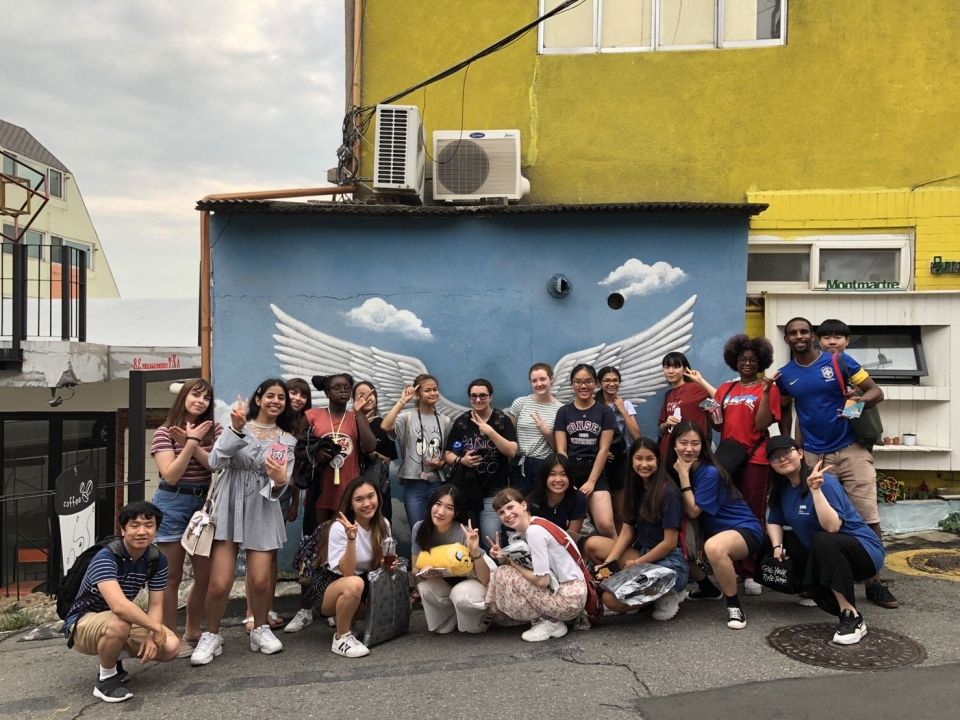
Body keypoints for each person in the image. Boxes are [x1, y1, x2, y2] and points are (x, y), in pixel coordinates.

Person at [762, 316, 896, 609]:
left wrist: (853, 406)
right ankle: (821, 579)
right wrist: (789, 444)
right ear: (786, 339)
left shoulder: (839, 362)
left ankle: (874, 582)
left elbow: (876, 391)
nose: (799, 336)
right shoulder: (785, 375)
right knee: (815, 519)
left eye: (804, 331)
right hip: (813, 455)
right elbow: (785, 410)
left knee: (867, 516)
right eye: (792, 333)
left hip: (851, 449)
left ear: (812, 335)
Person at [190, 379, 296, 665]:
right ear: (258, 399)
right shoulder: (238, 426)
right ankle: (211, 634)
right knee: (219, 583)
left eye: (281, 398)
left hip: (263, 505)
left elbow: (281, 485)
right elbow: (215, 461)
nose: (276, 401)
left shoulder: (287, 440)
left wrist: (279, 481)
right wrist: (235, 429)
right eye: (270, 395)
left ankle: (260, 629)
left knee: (261, 580)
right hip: (230, 503)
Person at [765, 435, 886, 644]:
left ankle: (851, 616)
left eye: (787, 452)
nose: (782, 459)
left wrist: (815, 491)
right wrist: (777, 546)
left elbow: (832, 527)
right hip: (830, 553)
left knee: (823, 540)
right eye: (775, 457)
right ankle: (815, 590)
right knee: (780, 542)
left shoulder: (824, 481)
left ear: (800, 453)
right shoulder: (782, 489)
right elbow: (774, 519)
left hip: (864, 552)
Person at [686, 335, 782, 595]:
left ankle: (751, 572)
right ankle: (734, 564)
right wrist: (711, 411)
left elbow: (762, 425)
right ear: (734, 361)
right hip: (729, 458)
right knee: (729, 511)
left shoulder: (769, 387)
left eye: (752, 360)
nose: (747, 363)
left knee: (753, 512)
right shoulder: (727, 389)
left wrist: (763, 393)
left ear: (761, 361)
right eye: (742, 359)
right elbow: (720, 425)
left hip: (756, 457)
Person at [63, 501, 179, 704]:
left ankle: (112, 655)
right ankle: (106, 678)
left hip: (115, 620)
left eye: (148, 525)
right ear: (123, 530)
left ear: (156, 529)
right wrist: (156, 628)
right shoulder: (106, 557)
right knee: (121, 621)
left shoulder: (156, 559)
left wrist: (153, 635)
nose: (142, 531)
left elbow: (156, 605)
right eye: (134, 525)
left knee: (170, 647)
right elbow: (118, 605)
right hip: (82, 621)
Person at [149, 378, 221, 658]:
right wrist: (191, 442)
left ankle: (193, 630)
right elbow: (171, 474)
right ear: (184, 397)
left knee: (205, 575)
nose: (200, 401)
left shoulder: (214, 430)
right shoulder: (164, 432)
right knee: (171, 576)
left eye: (206, 398)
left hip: (203, 506)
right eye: (196, 395)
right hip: (172, 502)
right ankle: (170, 636)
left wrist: (195, 442)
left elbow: (215, 466)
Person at [668, 422, 762, 630]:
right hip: (712, 531)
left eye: (695, 443)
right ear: (673, 445)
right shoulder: (673, 468)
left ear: (704, 446)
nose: (689, 449)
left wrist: (683, 475)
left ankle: (734, 605)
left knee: (714, 548)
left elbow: (693, 510)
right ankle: (708, 589)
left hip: (743, 529)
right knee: (675, 544)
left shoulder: (709, 472)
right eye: (683, 443)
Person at [584, 438, 689, 620]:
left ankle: (669, 594)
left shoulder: (668, 492)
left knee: (611, 600)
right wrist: (608, 564)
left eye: (649, 459)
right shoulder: (636, 487)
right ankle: (643, 597)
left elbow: (669, 543)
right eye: (639, 459)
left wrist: (638, 563)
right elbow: (626, 532)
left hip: (669, 564)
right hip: (643, 555)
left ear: (658, 460)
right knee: (592, 545)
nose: (644, 464)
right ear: (631, 461)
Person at [483, 488, 588, 642]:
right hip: (572, 593)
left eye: (510, 507)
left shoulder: (534, 532)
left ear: (524, 505)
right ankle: (547, 619)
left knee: (504, 573)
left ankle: (549, 621)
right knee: (505, 571)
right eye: (501, 512)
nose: (507, 514)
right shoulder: (536, 524)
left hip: (569, 599)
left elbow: (542, 581)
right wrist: (504, 556)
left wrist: (511, 563)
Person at [310, 476, 393, 658]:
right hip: (330, 584)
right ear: (350, 504)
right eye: (359, 499)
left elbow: (383, 561)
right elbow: (347, 573)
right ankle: (341, 638)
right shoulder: (340, 528)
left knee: (368, 585)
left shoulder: (383, 524)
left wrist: (389, 564)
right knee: (354, 583)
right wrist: (351, 539)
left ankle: (349, 620)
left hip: (363, 580)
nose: (367, 503)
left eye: (371, 496)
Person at [443, 378, 518, 544]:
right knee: (468, 539)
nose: (478, 400)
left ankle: (494, 570)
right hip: (466, 491)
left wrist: (491, 432)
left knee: (491, 538)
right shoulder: (462, 421)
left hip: (493, 492)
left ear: (491, 397)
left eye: (483, 396)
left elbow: (512, 451)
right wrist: (462, 460)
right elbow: (448, 454)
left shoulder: (501, 420)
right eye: (474, 396)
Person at [411, 484, 493, 633]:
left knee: (463, 602)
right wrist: (423, 573)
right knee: (425, 587)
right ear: (431, 505)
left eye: (449, 508)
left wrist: (474, 550)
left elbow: (485, 579)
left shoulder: (464, 532)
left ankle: (482, 616)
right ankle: (451, 616)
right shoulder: (419, 528)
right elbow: (414, 570)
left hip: (475, 576)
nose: (441, 512)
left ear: (456, 513)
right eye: (438, 504)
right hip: (446, 578)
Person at [304, 374, 378, 528]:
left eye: (346, 387)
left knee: (344, 537)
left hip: (349, 488)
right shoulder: (313, 416)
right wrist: (313, 453)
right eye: (336, 388)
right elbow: (296, 447)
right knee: (320, 538)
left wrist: (359, 413)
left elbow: (370, 446)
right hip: (320, 488)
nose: (343, 391)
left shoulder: (356, 416)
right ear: (327, 393)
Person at [381, 373, 452, 531]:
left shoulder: (445, 421)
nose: (433, 393)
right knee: (418, 531)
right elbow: (385, 426)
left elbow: (448, 452)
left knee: (439, 531)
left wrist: (442, 462)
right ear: (418, 394)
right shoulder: (407, 417)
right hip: (413, 484)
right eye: (428, 390)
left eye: (435, 389)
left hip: (437, 483)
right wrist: (403, 401)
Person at [553, 364, 616, 538]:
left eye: (588, 381)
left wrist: (591, 481)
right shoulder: (563, 412)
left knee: (605, 524)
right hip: (569, 471)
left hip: (595, 471)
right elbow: (561, 449)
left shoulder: (604, 412)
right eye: (578, 382)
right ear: (572, 384)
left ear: (595, 383)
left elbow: (604, 449)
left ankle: (618, 561)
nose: (583, 386)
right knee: (571, 530)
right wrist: (567, 478)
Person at [507, 362, 563, 496]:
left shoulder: (560, 409)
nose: (539, 384)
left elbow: (558, 448)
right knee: (519, 505)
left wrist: (546, 431)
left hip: (543, 464)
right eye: (534, 380)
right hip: (519, 463)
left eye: (543, 379)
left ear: (551, 379)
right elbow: (509, 436)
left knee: (540, 505)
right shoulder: (520, 403)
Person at [596, 366, 641, 523]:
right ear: (599, 383)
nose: (611, 384)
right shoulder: (594, 405)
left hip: (621, 459)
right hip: (599, 460)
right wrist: (600, 450)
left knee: (621, 509)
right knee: (601, 509)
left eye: (615, 380)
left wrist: (622, 410)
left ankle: (620, 544)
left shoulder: (626, 404)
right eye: (607, 380)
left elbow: (636, 435)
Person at [353, 380, 400, 521]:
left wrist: (372, 453)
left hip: (377, 487)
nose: (367, 398)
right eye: (361, 395)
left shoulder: (383, 424)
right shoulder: (349, 423)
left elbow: (387, 460)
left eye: (371, 394)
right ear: (354, 400)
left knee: (381, 528)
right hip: (352, 486)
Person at [657, 351, 710, 457]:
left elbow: (717, 402)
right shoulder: (669, 394)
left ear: (685, 370)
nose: (670, 371)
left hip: (689, 451)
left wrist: (700, 380)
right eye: (667, 367)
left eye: (675, 367)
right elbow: (661, 428)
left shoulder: (695, 388)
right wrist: (667, 423)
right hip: (668, 451)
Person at [525, 453, 587, 537]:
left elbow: (572, 537)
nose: (558, 479)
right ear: (544, 477)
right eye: (552, 474)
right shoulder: (532, 500)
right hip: (539, 544)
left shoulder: (578, 498)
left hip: (566, 544)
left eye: (563, 474)